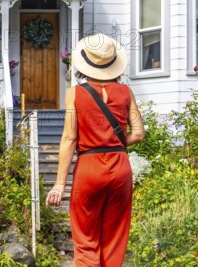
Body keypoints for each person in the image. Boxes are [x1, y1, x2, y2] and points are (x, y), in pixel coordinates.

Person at [46, 33, 145, 267]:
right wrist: (116, 145)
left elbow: (70, 138)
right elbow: (139, 133)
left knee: (86, 239)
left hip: (89, 168)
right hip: (120, 167)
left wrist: (60, 184)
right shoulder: (126, 92)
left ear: (84, 64)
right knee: (114, 237)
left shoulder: (75, 93)